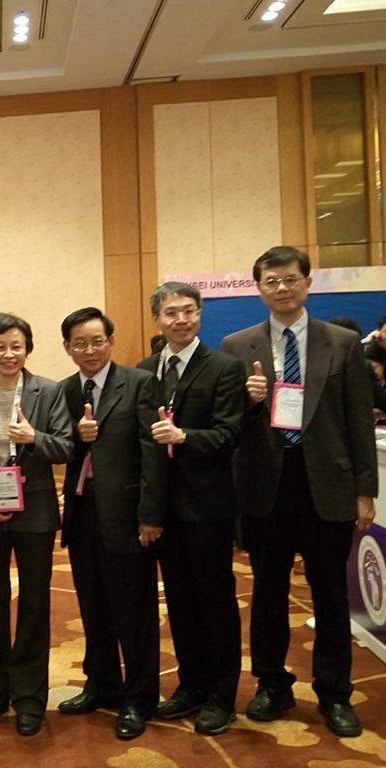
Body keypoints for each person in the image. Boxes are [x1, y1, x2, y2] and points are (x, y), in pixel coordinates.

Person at [221, 245, 377, 738]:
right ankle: (272, 684)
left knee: (330, 595)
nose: (282, 288)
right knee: (266, 592)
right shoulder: (237, 345)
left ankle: (334, 692)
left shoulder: (342, 342)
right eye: (271, 280)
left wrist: (364, 491)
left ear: (307, 283)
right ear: (259, 287)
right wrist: (248, 404)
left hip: (326, 486)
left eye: (290, 279)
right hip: (266, 487)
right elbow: (229, 427)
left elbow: (358, 421)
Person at [138, 283, 246, 736]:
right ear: (157, 321)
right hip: (164, 509)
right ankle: (190, 684)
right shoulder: (144, 372)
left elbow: (230, 433)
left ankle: (222, 694)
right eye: (170, 313)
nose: (180, 320)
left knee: (215, 599)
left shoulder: (224, 367)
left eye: (188, 311)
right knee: (179, 600)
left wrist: (186, 438)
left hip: (209, 506)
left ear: (200, 315)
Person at [0, 312, 74, 736]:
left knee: (33, 603)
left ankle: (29, 698)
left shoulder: (51, 391)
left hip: (37, 510)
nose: (8, 354)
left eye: (16, 346)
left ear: (28, 348)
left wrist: (33, 439)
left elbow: (64, 446)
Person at [56, 307, 166, 740]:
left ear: (111, 341)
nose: (89, 350)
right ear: (67, 348)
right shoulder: (65, 390)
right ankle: (101, 683)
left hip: (128, 515)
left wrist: (151, 514)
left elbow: (152, 451)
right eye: (79, 343)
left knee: (134, 610)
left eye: (97, 341)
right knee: (93, 605)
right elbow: (64, 447)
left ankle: (140, 698)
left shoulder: (138, 382)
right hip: (83, 514)